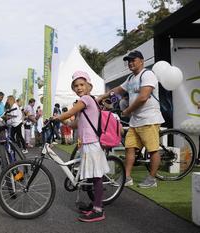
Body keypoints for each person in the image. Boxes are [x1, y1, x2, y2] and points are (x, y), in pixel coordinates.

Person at [97, 50, 164, 188]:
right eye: (129, 61)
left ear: (142, 61)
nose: (130, 63)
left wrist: (127, 111)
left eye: (133, 60)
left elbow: (143, 97)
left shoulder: (148, 75)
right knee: (129, 148)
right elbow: (119, 91)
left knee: (153, 150)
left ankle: (152, 179)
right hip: (136, 120)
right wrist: (104, 98)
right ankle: (126, 177)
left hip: (149, 118)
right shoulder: (131, 79)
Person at [54, 70, 109, 222]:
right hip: (87, 143)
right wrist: (60, 120)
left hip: (92, 143)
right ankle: (96, 205)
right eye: (76, 85)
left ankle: (98, 210)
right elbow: (73, 124)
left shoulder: (85, 99)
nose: (79, 88)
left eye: (82, 84)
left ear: (88, 86)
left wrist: (58, 116)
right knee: (93, 176)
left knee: (97, 177)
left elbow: (69, 112)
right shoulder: (85, 103)